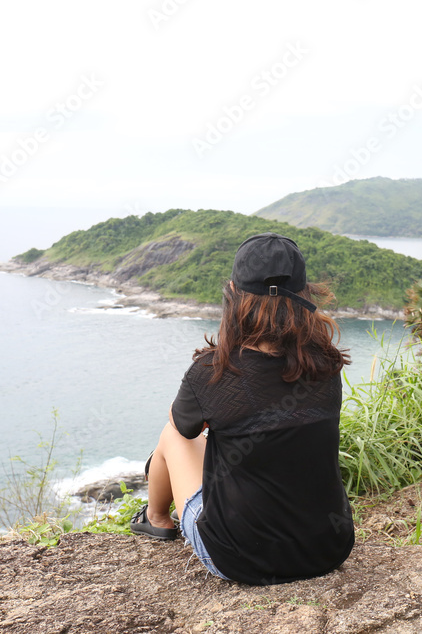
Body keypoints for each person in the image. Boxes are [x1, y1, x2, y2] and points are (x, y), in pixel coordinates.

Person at [129, 232, 355, 585]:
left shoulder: (214, 370)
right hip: (328, 547)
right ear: (305, 294)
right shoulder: (325, 363)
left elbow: (183, 428)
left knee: (172, 437)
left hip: (240, 558)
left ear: (233, 292)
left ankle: (156, 518)